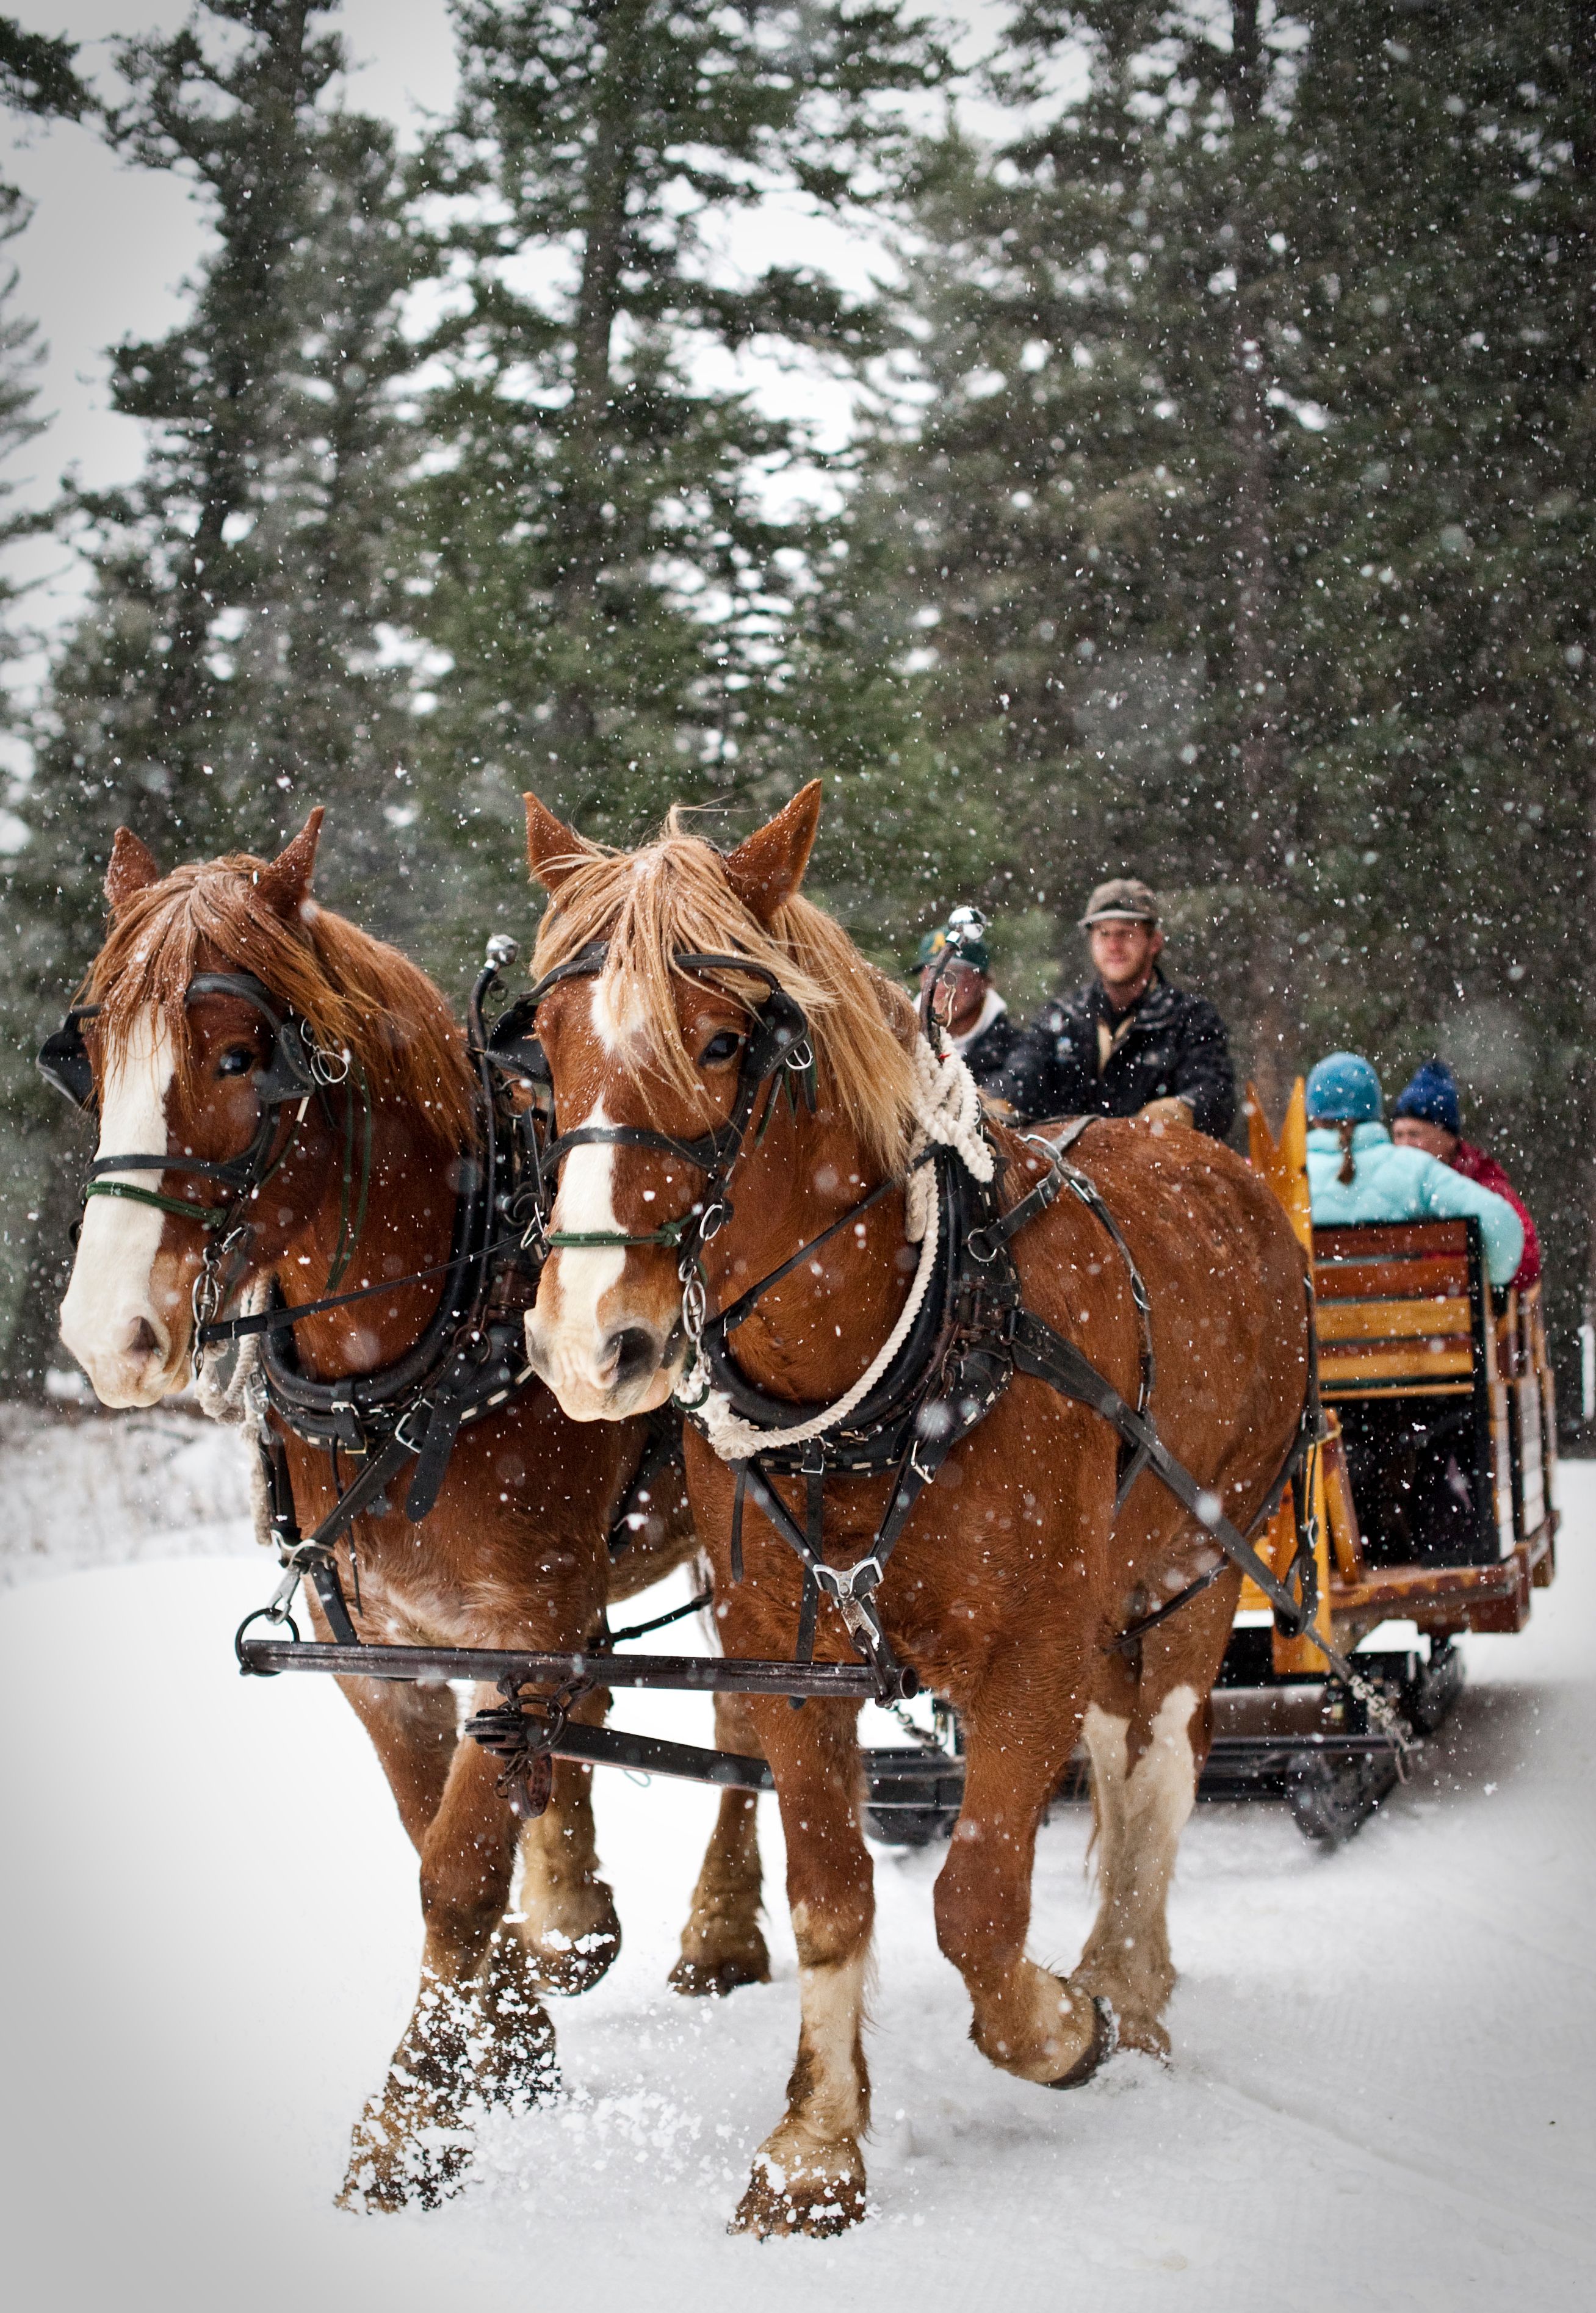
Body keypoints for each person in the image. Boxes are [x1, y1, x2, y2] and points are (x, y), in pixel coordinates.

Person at [995, 876, 1236, 1138]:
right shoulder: (1061, 1017)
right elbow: (1019, 1076)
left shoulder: (1191, 1019)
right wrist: (996, 1101)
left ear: (1154, 942)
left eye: (1126, 933)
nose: (1114, 945)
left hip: (1155, 1172)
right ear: (1091, 942)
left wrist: (1179, 1110)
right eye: (1103, 933)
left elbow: (1215, 1094)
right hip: (1064, 1171)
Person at [1304, 1053, 1524, 1289]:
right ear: (1375, 1110)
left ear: (1314, 1117)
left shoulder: (1290, 1177)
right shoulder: (1413, 1168)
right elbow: (1501, 1224)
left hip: (1315, 1324)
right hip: (1407, 1322)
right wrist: (1493, 1281)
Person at [1390, 1058, 1541, 1291]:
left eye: (1414, 1134)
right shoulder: (1388, 1188)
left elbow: (1527, 1261)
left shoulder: (1485, 1186)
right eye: (1398, 1135)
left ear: (1448, 1138)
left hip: (1454, 1318)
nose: (1404, 1145)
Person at [915, 914, 1025, 1095]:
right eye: (930, 974)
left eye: (953, 975)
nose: (939, 986)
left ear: (983, 982)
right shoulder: (895, 1041)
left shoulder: (1018, 1052)